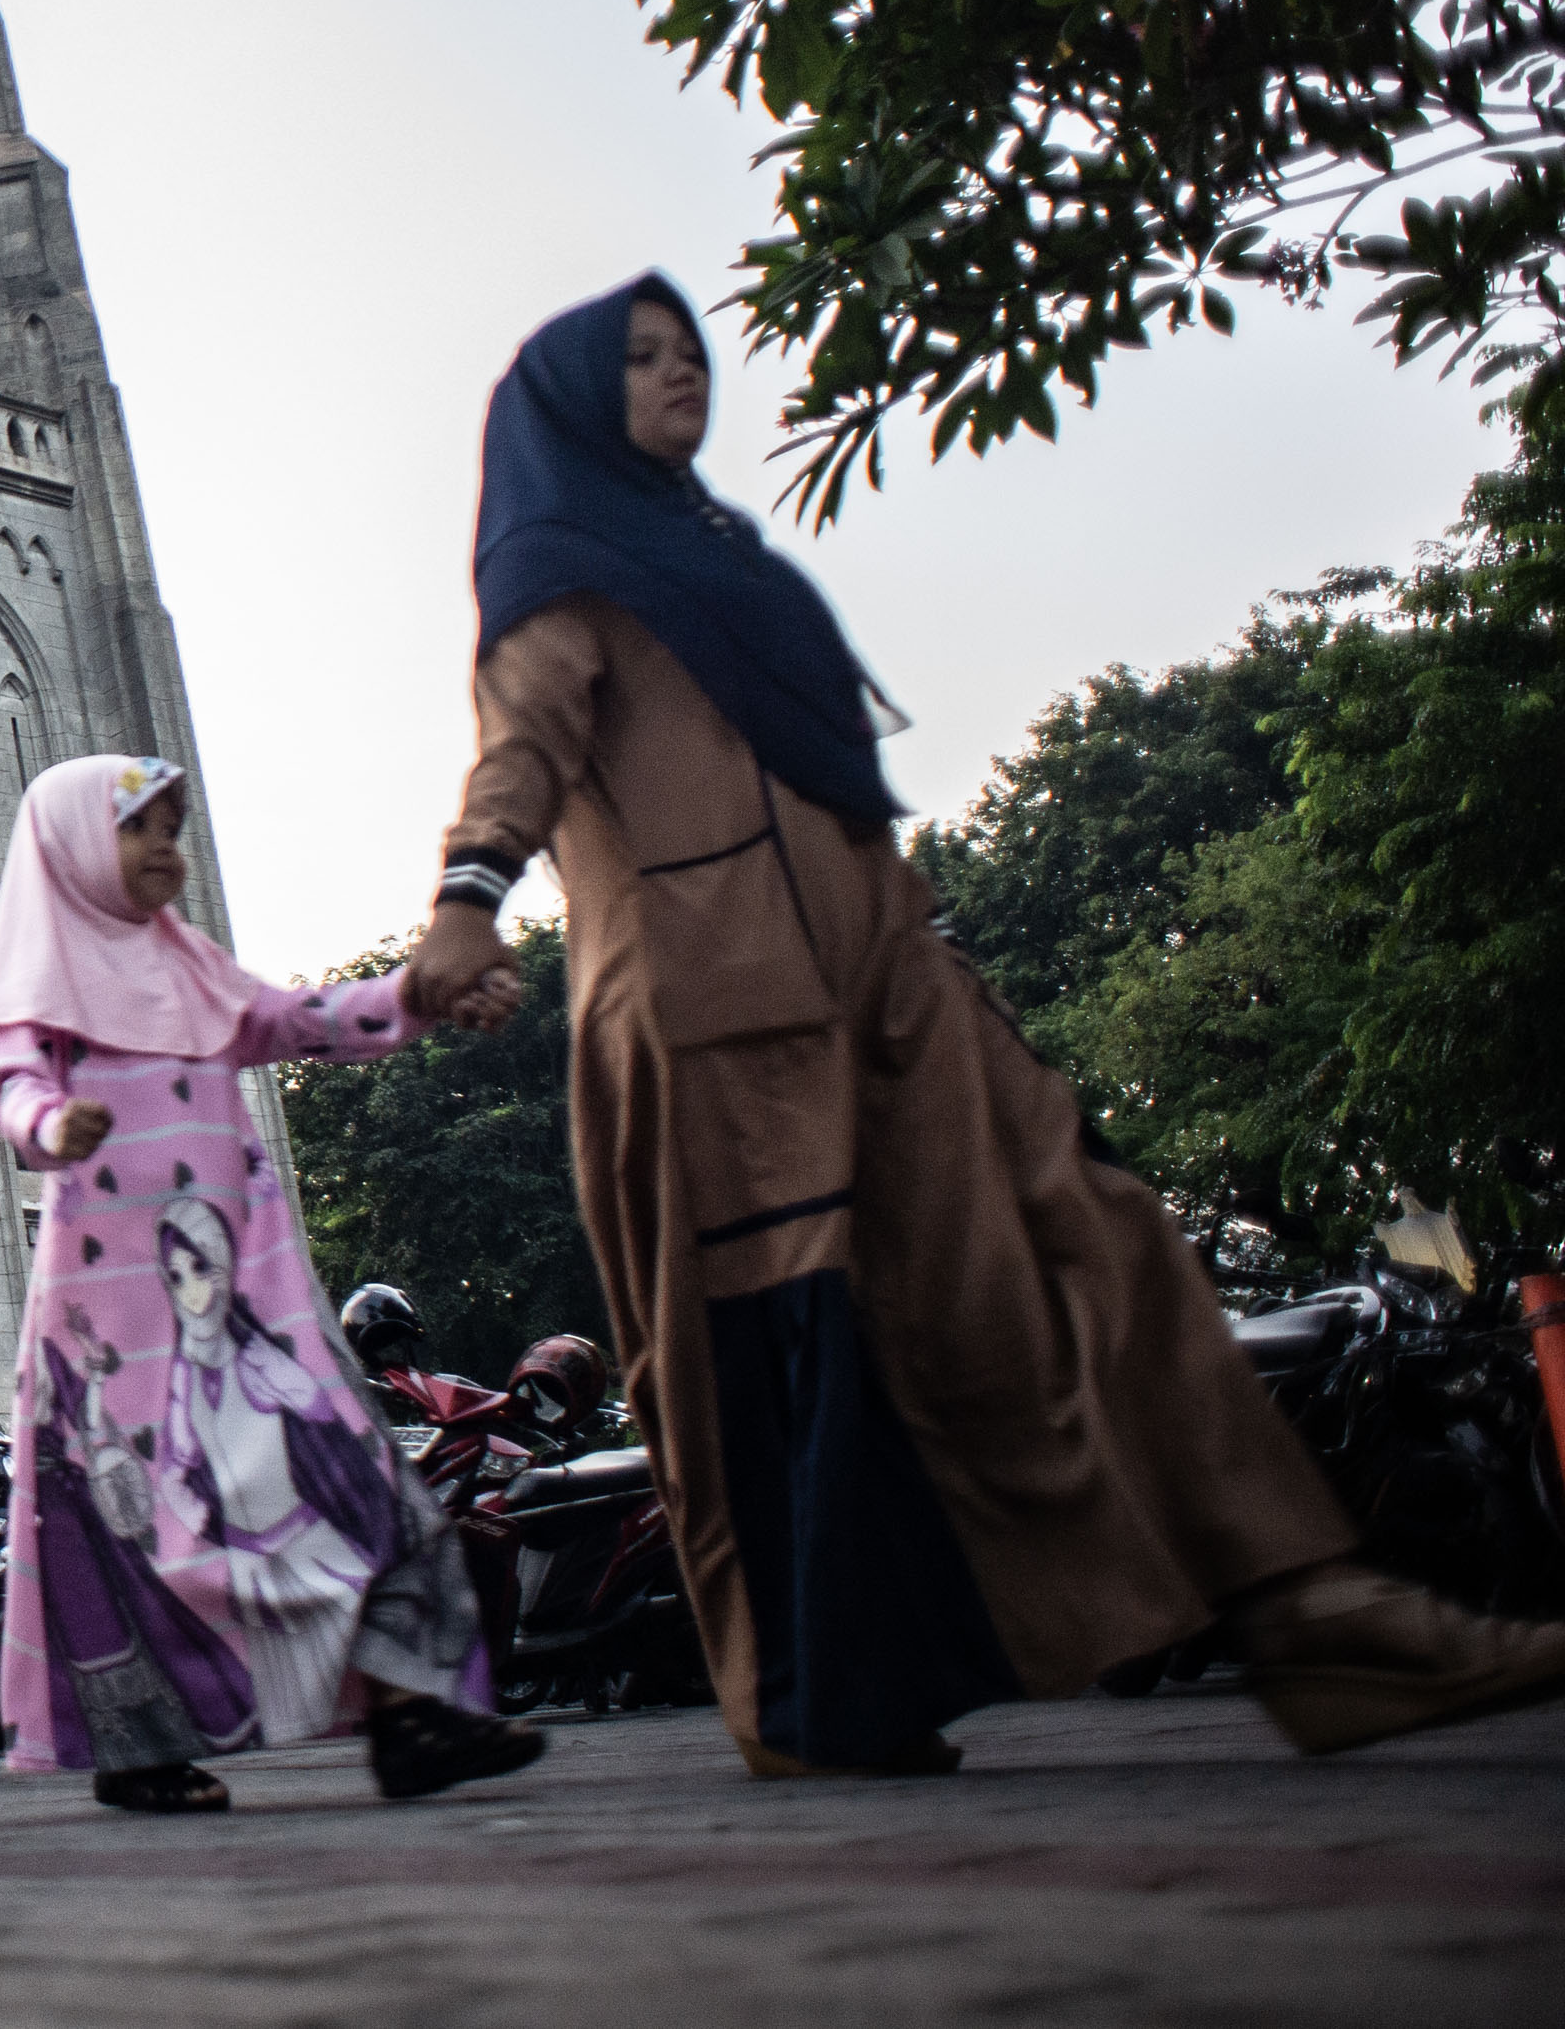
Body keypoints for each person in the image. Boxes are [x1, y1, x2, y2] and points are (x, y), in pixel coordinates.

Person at [404, 278, 1565, 1770]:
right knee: (802, 1352)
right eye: (637, 355)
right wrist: (468, 895)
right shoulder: (563, 578)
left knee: (1107, 1245)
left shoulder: (719, 565)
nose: (679, 368)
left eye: (689, 347)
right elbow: (523, 750)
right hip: (724, 1024)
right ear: (570, 400)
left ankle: (1323, 1615)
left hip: (898, 994)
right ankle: (824, 1692)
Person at [0, 757, 541, 1811]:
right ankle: (139, 1749)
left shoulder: (190, 969)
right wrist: (52, 1125)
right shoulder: (33, 981)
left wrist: (424, 990)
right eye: (139, 828)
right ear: (74, 846)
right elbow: (12, 1086)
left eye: (172, 829)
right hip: (115, 1325)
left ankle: (410, 1715)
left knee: (341, 1480)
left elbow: (304, 1021)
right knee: (135, 1518)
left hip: (236, 1310)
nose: (165, 852)